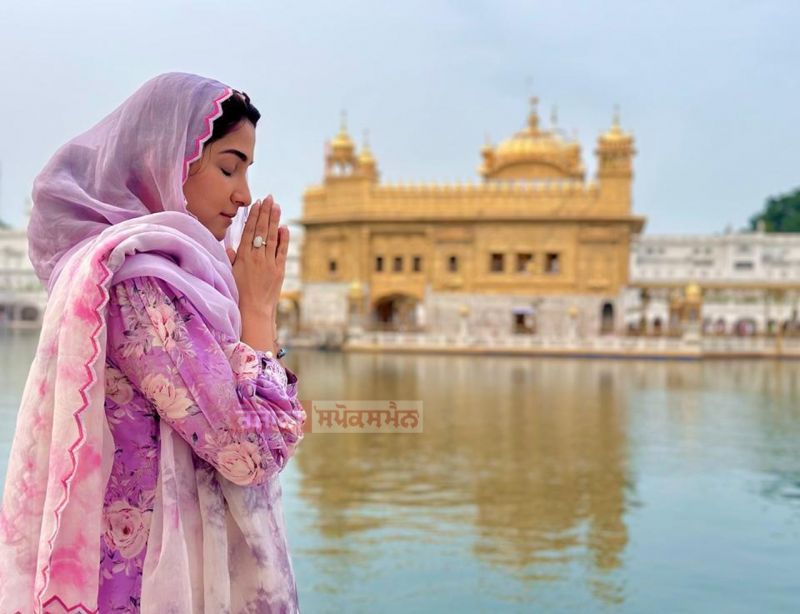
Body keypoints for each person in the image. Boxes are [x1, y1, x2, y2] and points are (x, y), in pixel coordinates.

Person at [0, 73, 306, 613]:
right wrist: (259, 310)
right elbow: (250, 452)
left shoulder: (166, 276)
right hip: (148, 588)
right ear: (165, 161)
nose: (244, 195)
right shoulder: (143, 286)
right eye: (228, 167)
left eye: (247, 172)